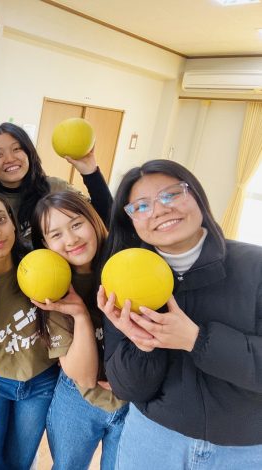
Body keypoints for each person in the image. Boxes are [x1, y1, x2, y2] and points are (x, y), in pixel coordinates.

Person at [98, 159, 262, 469]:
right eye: (141, 206)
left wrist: (197, 340)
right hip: (153, 439)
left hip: (244, 450)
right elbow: (127, 389)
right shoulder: (124, 279)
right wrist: (143, 346)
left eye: (171, 194)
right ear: (130, 221)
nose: (159, 210)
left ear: (196, 195)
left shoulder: (255, 266)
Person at [0, 187, 96, 470]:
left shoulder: (43, 269)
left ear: (13, 222)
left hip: (40, 383)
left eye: (1, 220)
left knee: (18, 465)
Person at [30, 191, 128, 470]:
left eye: (76, 224)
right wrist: (80, 314)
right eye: (56, 234)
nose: (71, 239)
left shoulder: (124, 266)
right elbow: (84, 378)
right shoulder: (52, 288)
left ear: (94, 220)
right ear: (45, 244)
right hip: (78, 401)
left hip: (133, 401)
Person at [0, 122, 112, 236]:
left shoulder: (55, 188)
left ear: (29, 152)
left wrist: (90, 172)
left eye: (17, 149)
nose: (10, 159)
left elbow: (105, 218)